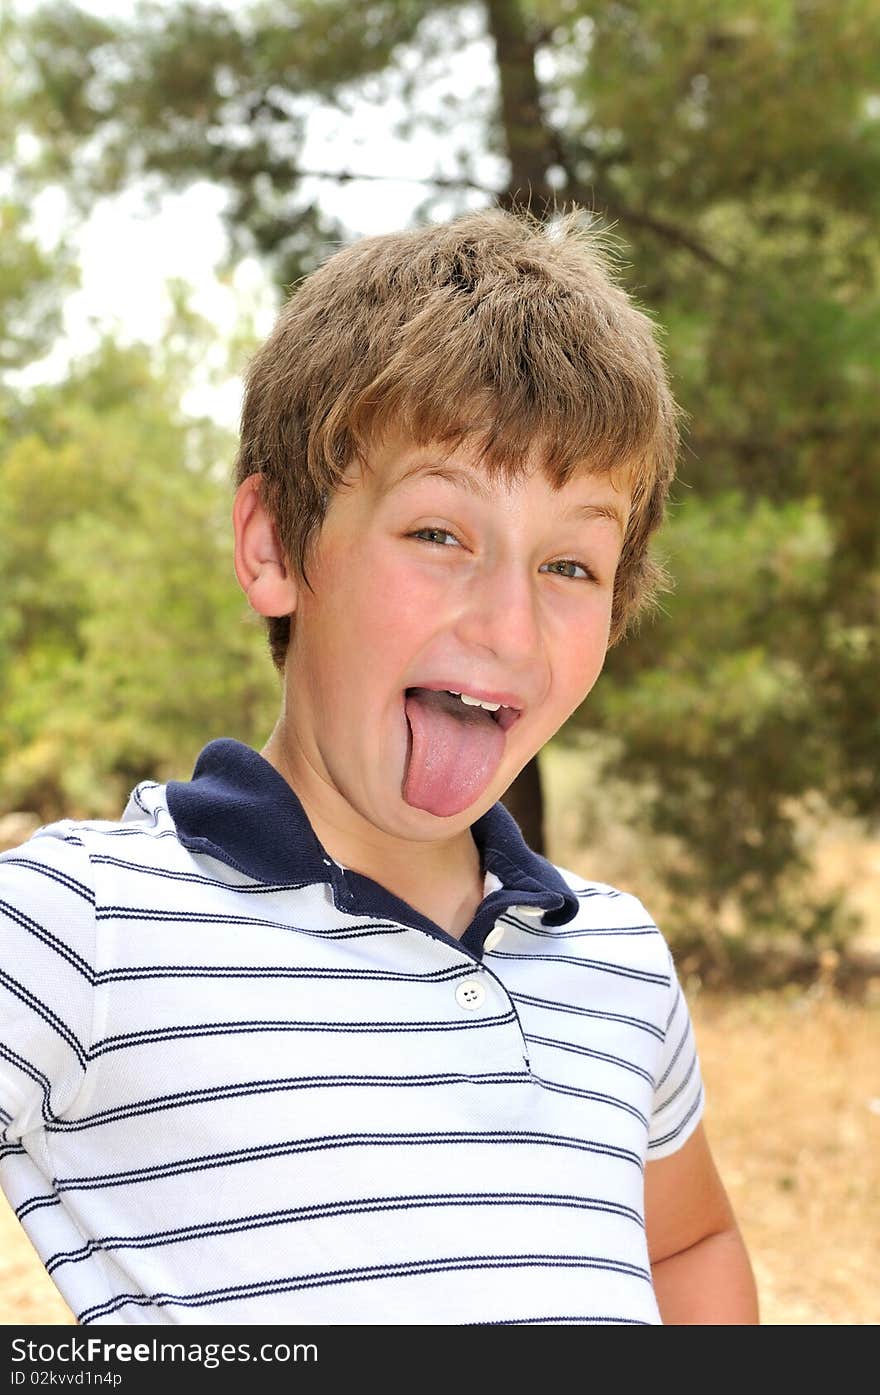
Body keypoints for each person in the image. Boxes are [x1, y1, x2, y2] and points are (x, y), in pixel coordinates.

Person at [0, 208, 758, 1326]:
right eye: (438, 534)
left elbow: (689, 1241)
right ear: (272, 547)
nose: (511, 627)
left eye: (569, 563)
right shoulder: (84, 925)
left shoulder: (618, 963)